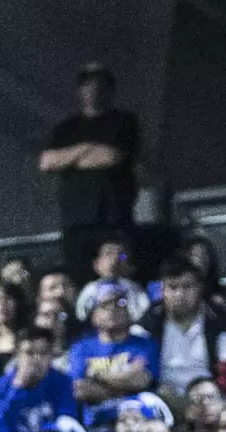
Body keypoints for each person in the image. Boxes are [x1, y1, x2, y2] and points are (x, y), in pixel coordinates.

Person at [39, 64, 142, 279]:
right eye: (87, 85)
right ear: (79, 90)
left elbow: (111, 157)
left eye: (99, 85)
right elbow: (47, 162)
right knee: (78, 276)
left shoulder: (124, 121)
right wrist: (86, 148)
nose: (93, 90)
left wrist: (69, 158)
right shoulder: (65, 128)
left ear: (110, 90)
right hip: (76, 220)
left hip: (114, 218)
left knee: (120, 268)